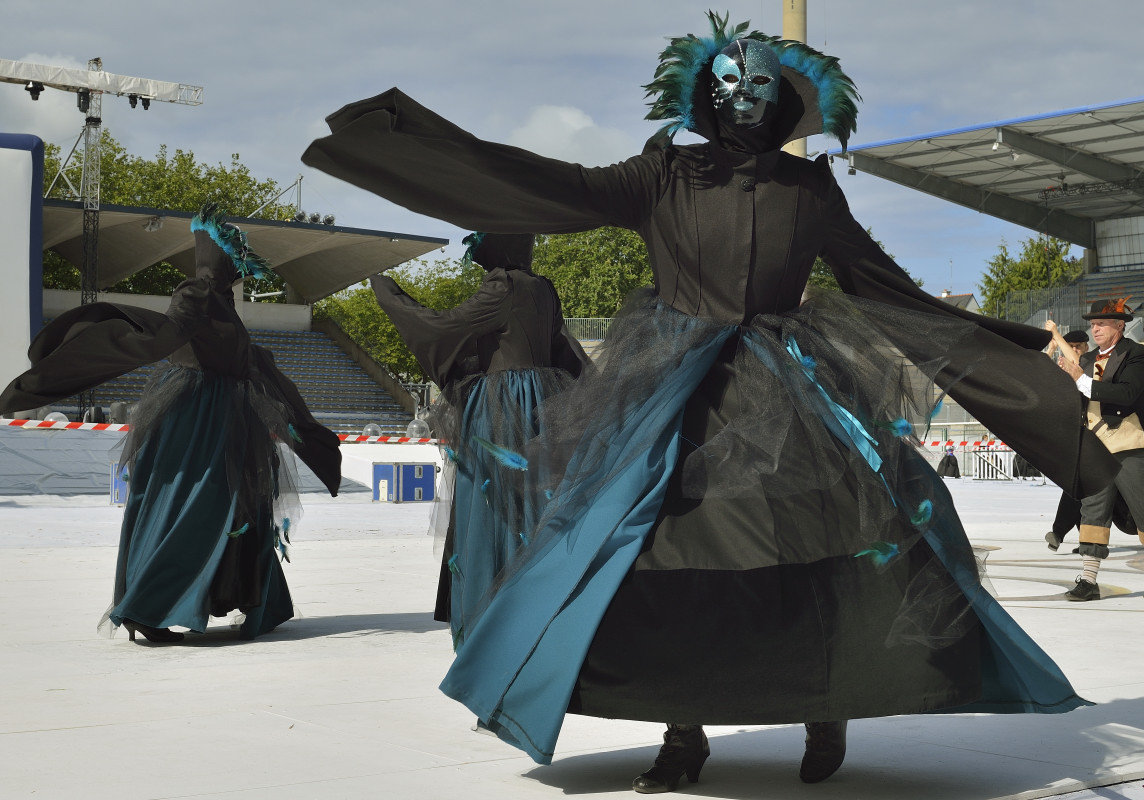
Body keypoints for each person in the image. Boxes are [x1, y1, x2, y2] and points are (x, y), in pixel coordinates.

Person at [302, 13, 1117, 790]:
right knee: (653, 553)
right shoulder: (661, 173)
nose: (744, 101)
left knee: (827, 547)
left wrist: (1012, 346)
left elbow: (887, 289)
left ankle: (822, 710)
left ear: (785, 99)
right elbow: (545, 183)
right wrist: (409, 141)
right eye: (731, 86)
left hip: (792, 395)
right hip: (672, 398)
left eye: (760, 88)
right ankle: (680, 730)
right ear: (705, 93)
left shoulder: (810, 188)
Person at [0, 204, 342, 642]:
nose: (238, 267)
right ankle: (148, 608)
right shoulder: (194, 294)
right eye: (232, 258)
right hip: (196, 419)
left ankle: (247, 599)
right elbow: (168, 335)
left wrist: (291, 421)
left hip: (228, 420)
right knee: (191, 506)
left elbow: (244, 360)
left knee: (239, 507)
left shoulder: (226, 306)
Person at [369, 232, 589, 643]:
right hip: (543, 401)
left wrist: (388, 293)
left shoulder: (503, 284)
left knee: (490, 509)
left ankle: (492, 616)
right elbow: (562, 348)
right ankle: (537, 608)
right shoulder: (543, 287)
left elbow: (445, 327)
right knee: (534, 506)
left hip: (504, 405)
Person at [1048, 300, 1144, 599]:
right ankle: (1089, 581)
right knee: (1092, 513)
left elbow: (1126, 393)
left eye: (1101, 324)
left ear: (1119, 325)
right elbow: (1075, 381)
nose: (1095, 328)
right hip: (1095, 447)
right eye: (1092, 324)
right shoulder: (1088, 358)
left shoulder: (1136, 353)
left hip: (1127, 443)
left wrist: (1080, 381)